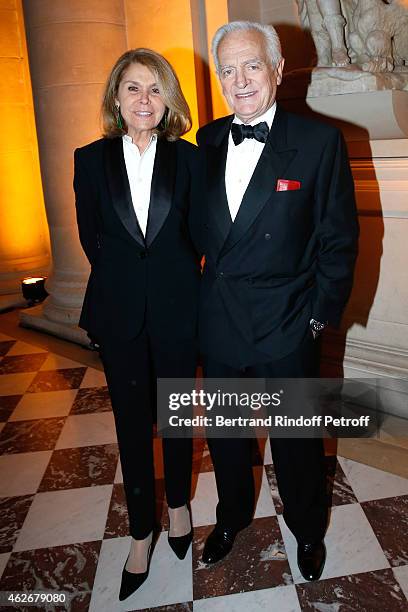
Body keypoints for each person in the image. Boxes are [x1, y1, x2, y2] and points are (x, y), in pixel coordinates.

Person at [196, 21, 358, 581]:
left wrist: (318, 318)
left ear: (278, 70)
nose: (239, 81)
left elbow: (339, 240)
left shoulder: (320, 143)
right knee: (227, 437)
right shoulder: (208, 139)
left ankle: (308, 532)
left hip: (288, 319)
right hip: (220, 319)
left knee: (296, 442)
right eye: (227, 70)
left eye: (251, 66)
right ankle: (231, 518)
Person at [73, 49, 201, 600]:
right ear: (115, 98)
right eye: (132, 88)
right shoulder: (88, 159)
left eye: (154, 89)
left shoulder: (191, 159)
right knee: (130, 425)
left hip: (178, 309)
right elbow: (91, 239)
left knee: (175, 415)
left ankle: (178, 507)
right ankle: (140, 530)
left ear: (167, 98)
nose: (143, 99)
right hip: (119, 310)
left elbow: (198, 235)